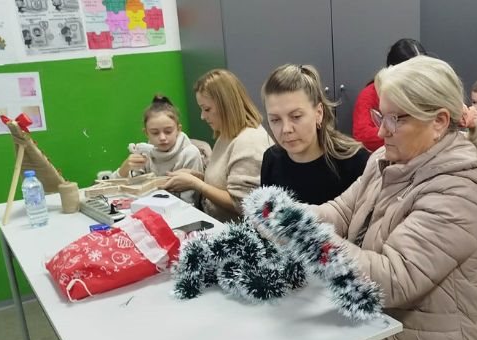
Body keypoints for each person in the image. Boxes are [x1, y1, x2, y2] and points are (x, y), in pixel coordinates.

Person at [278, 56, 477, 340]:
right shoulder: (385, 159)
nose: (381, 131)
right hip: (384, 328)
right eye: (380, 116)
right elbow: (341, 211)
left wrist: (307, 237)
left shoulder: (460, 190)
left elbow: (395, 278)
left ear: (439, 122)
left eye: (395, 119)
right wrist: (289, 217)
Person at [162, 69, 272, 222]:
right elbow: (225, 182)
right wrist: (199, 177)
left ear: (226, 105)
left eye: (207, 109)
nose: (202, 116)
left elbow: (242, 204)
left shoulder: (250, 142)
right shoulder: (226, 134)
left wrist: (196, 184)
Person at [260, 64, 369, 205]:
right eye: (275, 120)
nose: (286, 129)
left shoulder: (355, 162)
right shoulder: (271, 160)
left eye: (296, 116)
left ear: (319, 113)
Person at [112, 94, 203, 204]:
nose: (162, 138)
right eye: (155, 133)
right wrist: (126, 167)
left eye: (168, 131)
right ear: (146, 133)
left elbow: (190, 201)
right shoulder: (144, 154)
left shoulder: (190, 154)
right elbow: (115, 188)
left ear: (178, 129)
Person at [352, 38, 427, 151]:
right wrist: (405, 134)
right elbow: (362, 136)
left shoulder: (428, 90)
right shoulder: (371, 93)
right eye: (412, 72)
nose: (418, 78)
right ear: (393, 69)